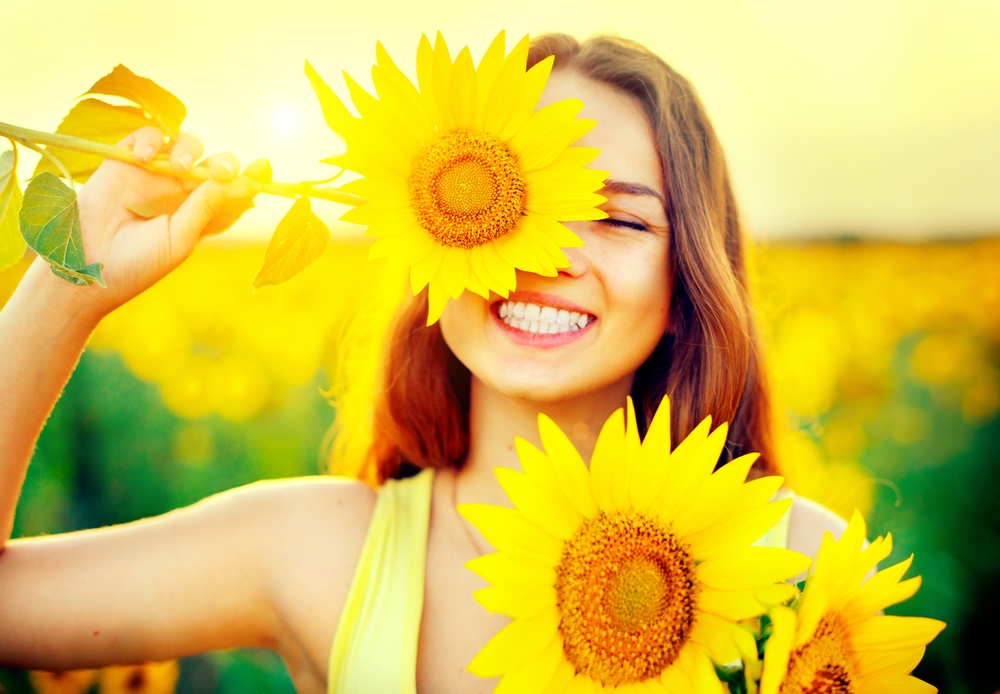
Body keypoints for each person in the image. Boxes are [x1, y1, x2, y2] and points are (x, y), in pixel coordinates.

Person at [0, 33, 847, 694]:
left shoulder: (801, 567)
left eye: (620, 221)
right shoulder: (313, 552)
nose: (547, 255)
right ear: (432, 235)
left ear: (687, 279)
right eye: (506, 197)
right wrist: (72, 280)